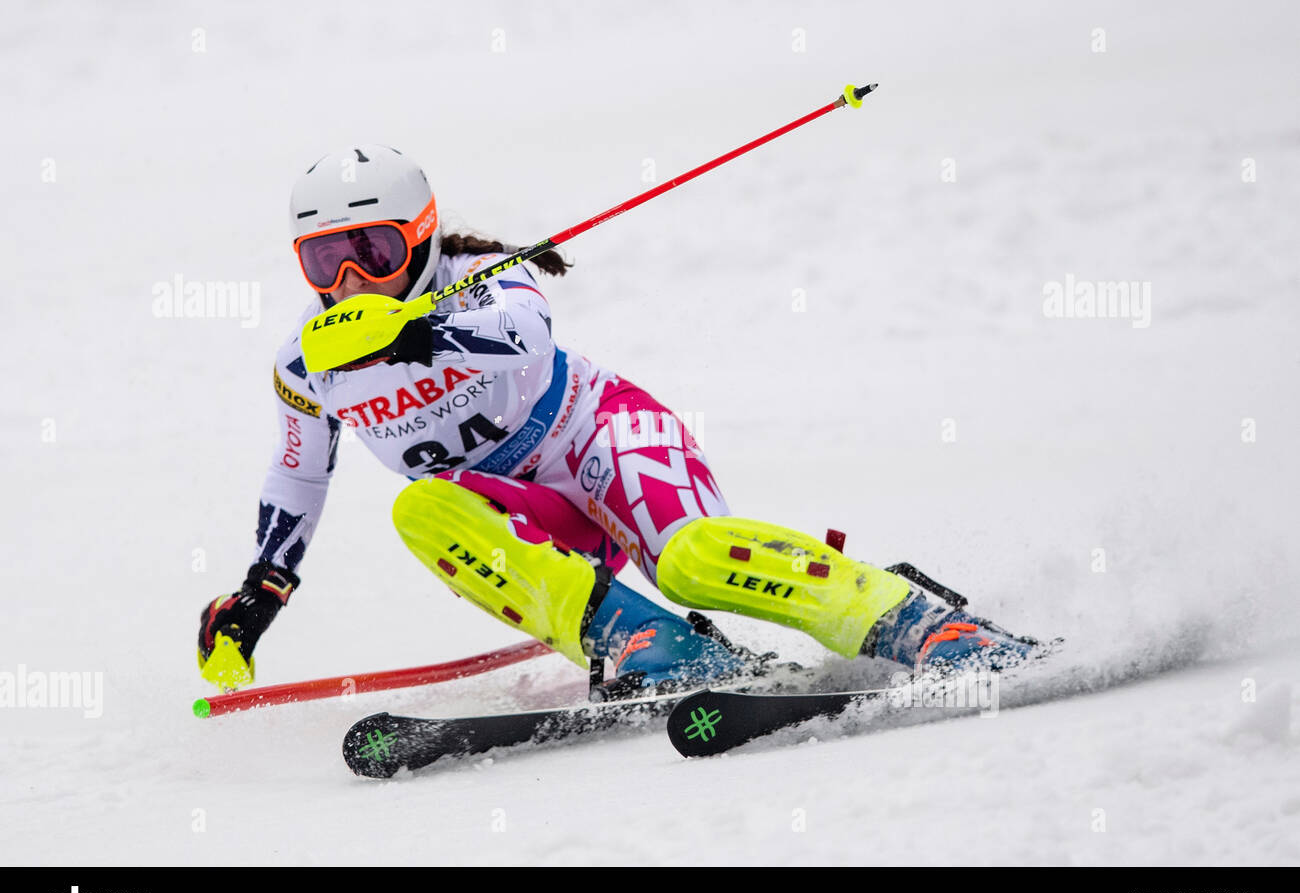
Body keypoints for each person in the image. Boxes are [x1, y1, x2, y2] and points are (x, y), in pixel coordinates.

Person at [197, 144, 1037, 697]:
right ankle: (650, 646)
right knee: (419, 509)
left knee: (696, 559)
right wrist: (260, 593)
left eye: (372, 253)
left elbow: (526, 335)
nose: (348, 281)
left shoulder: (483, 272)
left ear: (418, 241)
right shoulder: (307, 366)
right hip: (529, 520)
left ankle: (916, 621)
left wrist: (419, 335)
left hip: (604, 440)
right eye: (322, 259)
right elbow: (300, 474)